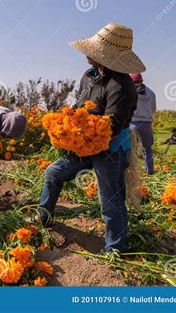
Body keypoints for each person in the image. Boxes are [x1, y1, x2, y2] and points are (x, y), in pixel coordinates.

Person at [38, 23, 145, 253]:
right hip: (84, 144)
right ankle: (44, 217)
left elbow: (112, 125)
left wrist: (80, 135)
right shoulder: (89, 76)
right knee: (53, 172)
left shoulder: (122, 85)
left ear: (107, 56)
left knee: (110, 201)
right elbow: (80, 106)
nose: (88, 53)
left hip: (111, 149)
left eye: (95, 49)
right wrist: (67, 121)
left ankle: (116, 249)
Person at [129, 73, 157, 174]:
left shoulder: (130, 92)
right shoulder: (151, 92)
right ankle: (150, 170)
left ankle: (134, 172)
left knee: (132, 150)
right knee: (147, 149)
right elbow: (153, 109)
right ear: (142, 80)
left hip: (133, 124)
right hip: (146, 124)